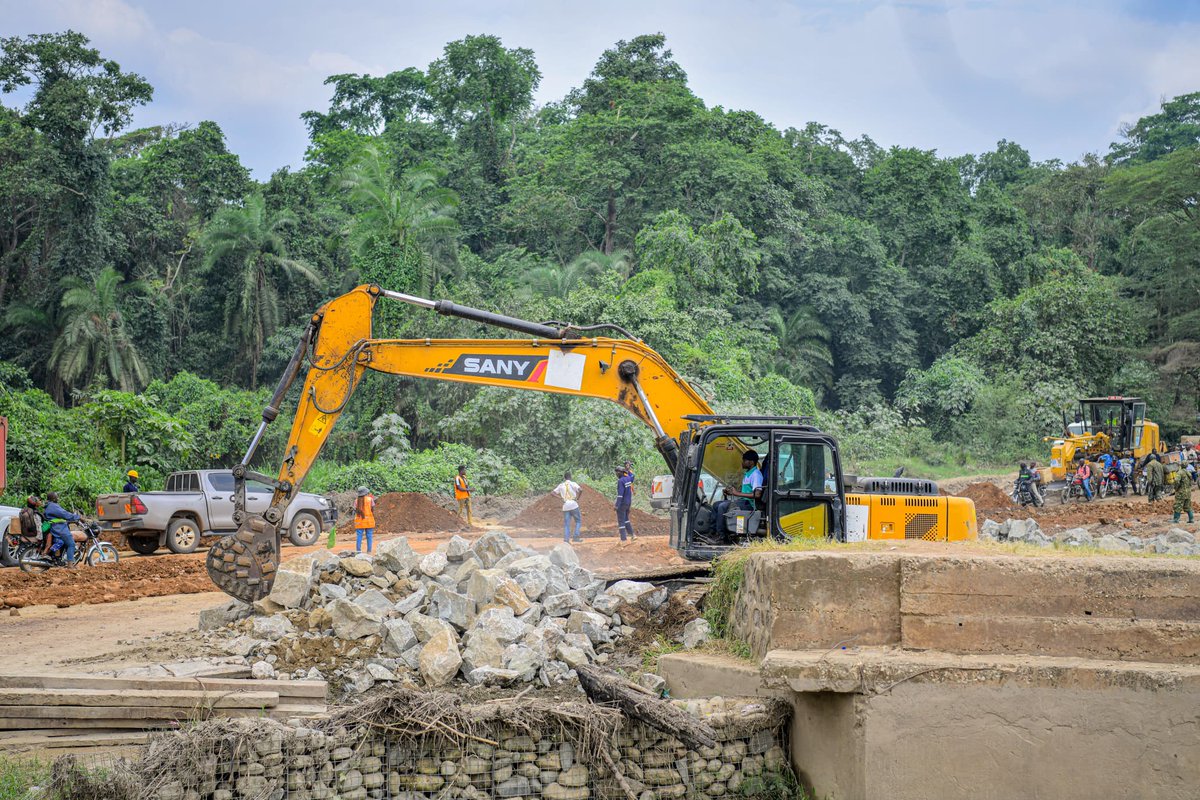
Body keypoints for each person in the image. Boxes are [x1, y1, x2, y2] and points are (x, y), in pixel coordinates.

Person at [714, 450, 764, 535]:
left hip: (750, 504)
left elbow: (757, 494)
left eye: (744, 460)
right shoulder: (748, 473)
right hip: (743, 501)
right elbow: (747, 492)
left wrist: (736, 493)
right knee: (716, 505)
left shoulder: (756, 474)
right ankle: (713, 532)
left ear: (751, 462)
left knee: (723, 506)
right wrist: (731, 492)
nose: (742, 462)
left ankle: (721, 535)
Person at [43, 492, 80, 567]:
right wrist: (78, 517)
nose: (58, 498)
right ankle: (70, 565)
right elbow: (64, 514)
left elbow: (61, 515)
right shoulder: (53, 506)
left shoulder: (49, 505)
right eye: (57, 497)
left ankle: (54, 556)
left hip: (55, 528)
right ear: (53, 499)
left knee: (61, 542)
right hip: (59, 528)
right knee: (71, 544)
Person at [553, 472, 583, 544]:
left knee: (567, 524)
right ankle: (576, 537)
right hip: (573, 504)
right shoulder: (573, 483)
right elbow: (581, 490)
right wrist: (578, 498)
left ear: (564, 478)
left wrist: (560, 498)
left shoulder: (561, 485)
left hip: (565, 505)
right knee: (578, 521)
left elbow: (552, 493)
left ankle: (566, 540)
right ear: (570, 477)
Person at [614, 465, 637, 542]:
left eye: (617, 472)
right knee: (626, 519)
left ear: (620, 472)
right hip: (628, 503)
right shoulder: (628, 479)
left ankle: (623, 540)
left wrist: (617, 505)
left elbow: (620, 495)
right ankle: (633, 535)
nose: (616, 474)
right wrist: (628, 469)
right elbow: (633, 475)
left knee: (621, 521)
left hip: (622, 504)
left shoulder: (620, 481)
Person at [354, 486, 376, 553]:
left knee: (359, 536)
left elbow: (355, 510)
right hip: (369, 521)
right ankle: (369, 551)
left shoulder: (356, 501)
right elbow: (372, 509)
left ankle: (358, 551)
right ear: (366, 492)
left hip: (359, 522)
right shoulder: (370, 499)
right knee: (369, 536)